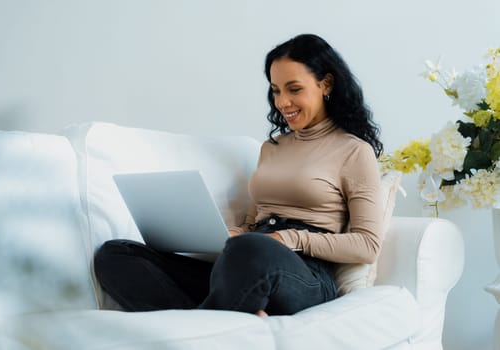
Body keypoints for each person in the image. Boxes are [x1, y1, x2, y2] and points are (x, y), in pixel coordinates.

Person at [94, 33, 384, 317]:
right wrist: (229, 233)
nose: (283, 103)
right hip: (244, 263)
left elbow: (367, 245)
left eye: (294, 89)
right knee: (116, 255)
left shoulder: (354, 151)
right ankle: (225, 316)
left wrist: (288, 239)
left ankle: (206, 323)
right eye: (275, 90)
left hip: (304, 274)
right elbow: (252, 223)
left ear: (326, 84)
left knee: (252, 250)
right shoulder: (271, 148)